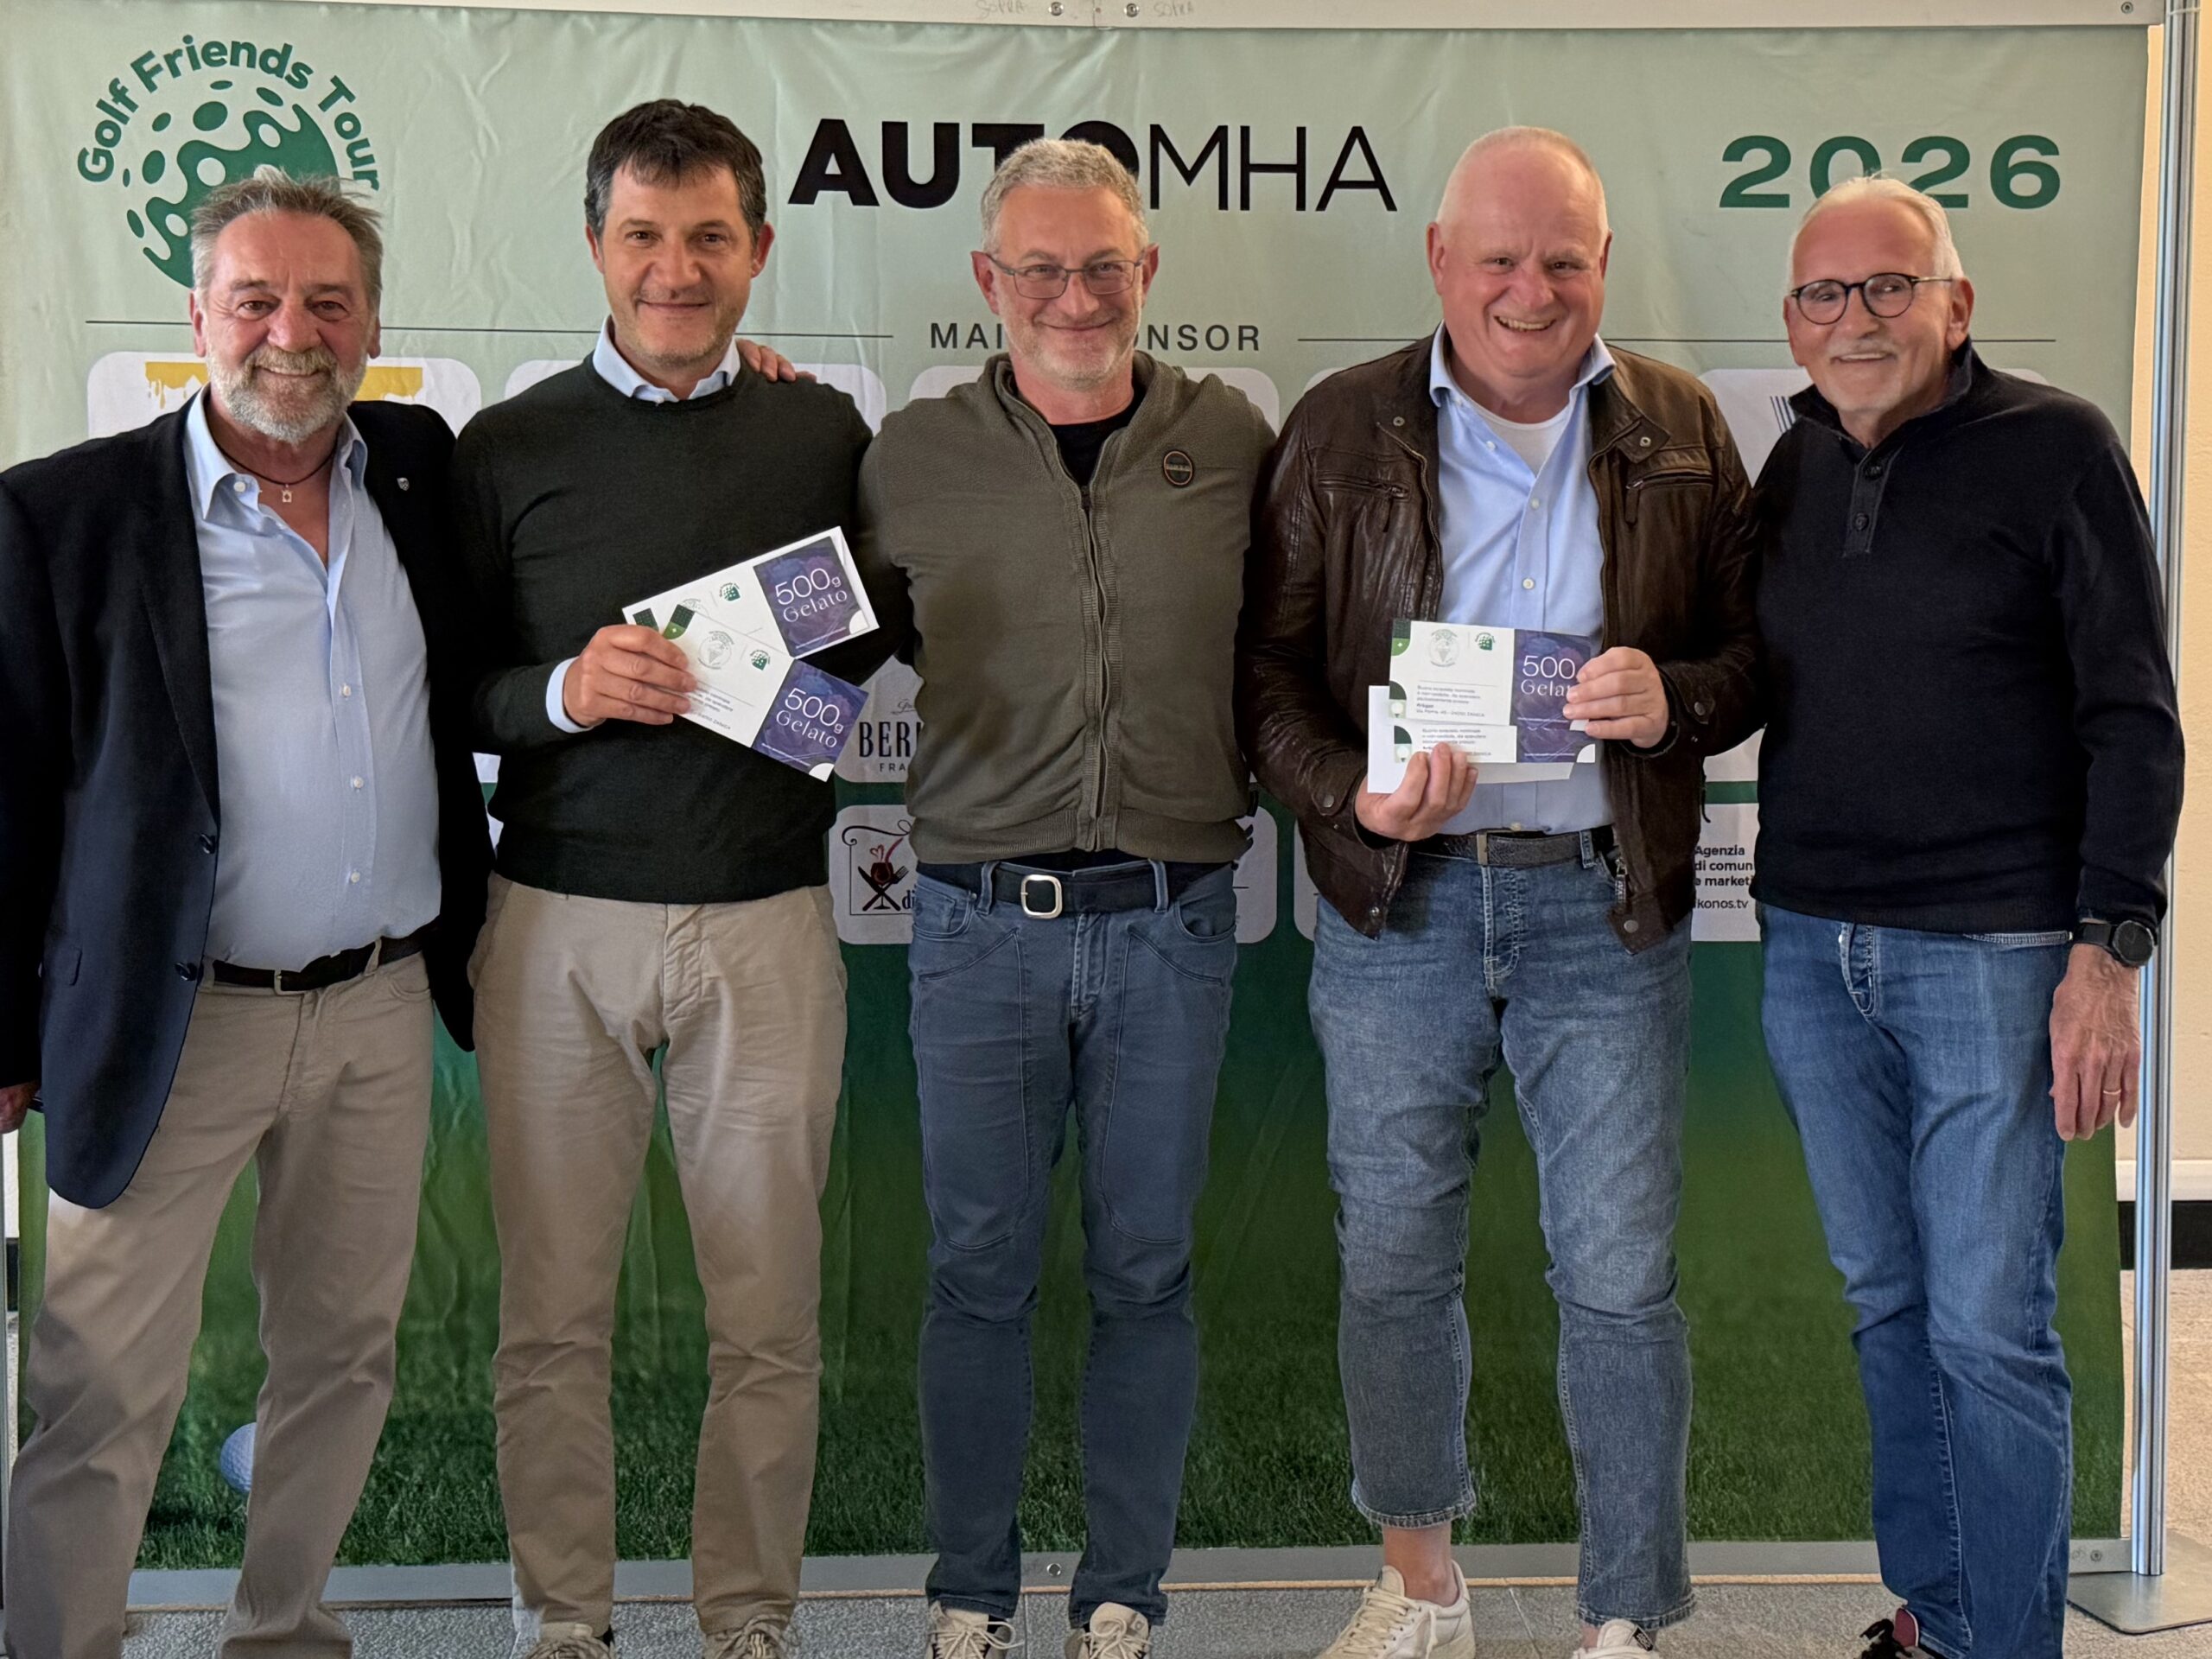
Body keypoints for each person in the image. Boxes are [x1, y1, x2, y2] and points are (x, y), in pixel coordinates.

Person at [1238, 127, 1761, 1659]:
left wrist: (1677, 700)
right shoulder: (1340, 427)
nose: (1531, 291)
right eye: (1500, 260)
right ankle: (1423, 1591)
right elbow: (1265, 678)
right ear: (1439, 262)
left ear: (1605, 267)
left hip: (1605, 904)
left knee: (1621, 1278)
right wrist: (1350, 793)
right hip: (1400, 905)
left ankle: (1628, 1620)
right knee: (1395, 1260)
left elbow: (1752, 651)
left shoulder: (1679, 425)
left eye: (1564, 261)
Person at [0, 167, 491, 1659]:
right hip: (166, 1014)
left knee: (340, 1361)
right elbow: (7, 788)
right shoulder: (63, 514)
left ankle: (286, 1635)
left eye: (328, 302)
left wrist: (745, 375)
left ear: (373, 325)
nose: (293, 332)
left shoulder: (418, 469)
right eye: (257, 299)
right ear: (196, 315)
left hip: (378, 1010)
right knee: (100, 1385)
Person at [452, 99, 887, 1659]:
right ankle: (562, 1625)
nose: (675, 269)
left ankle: (749, 1620)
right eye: (643, 235)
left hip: (766, 920)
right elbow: (454, 688)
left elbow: (868, 643)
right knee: (550, 1323)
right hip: (555, 926)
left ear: (758, 250)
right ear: (595, 246)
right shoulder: (506, 448)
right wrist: (565, 692)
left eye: (709, 237)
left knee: (766, 1318)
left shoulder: (822, 437)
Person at [1752, 175, 2183, 1659]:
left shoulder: (2059, 449)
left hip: (1997, 956)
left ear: (1958, 303)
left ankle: (2008, 1645)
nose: (1856, 319)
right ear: (1792, 321)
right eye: (1825, 293)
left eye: (1890, 286)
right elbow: (1745, 673)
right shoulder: (1797, 463)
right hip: (1813, 949)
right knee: (1886, 1301)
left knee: (1990, 1330)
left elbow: (2136, 719)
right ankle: (1937, 1625)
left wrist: (2108, 956)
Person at [856, 137, 1273, 1659]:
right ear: (990, 280)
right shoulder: (910, 456)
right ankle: (971, 1598)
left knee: (1146, 1273)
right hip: (977, 926)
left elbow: (1298, 641)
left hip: (1174, 921)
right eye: (1041, 268)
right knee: (977, 1275)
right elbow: (822, 647)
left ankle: (1121, 1598)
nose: (1075, 296)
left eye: (1104, 266)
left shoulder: (1233, 439)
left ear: (1146, 270)